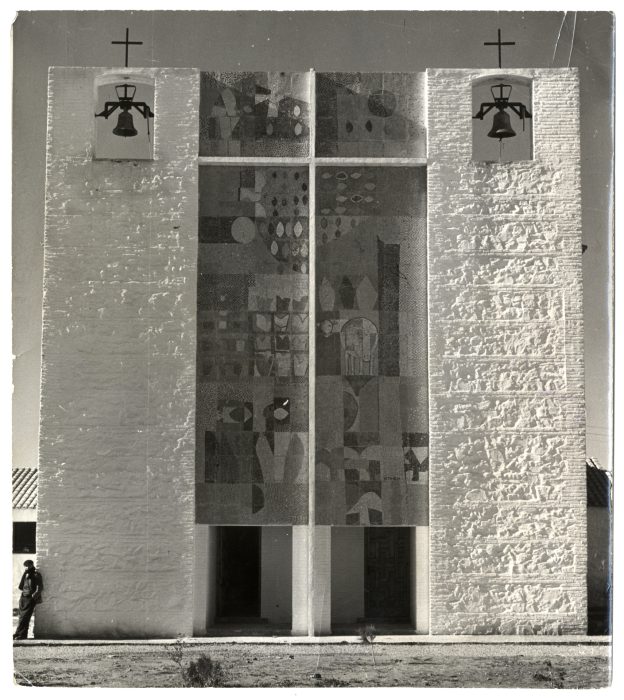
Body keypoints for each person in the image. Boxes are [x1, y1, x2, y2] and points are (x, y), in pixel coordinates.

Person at [13, 560, 43, 640]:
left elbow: (40, 587)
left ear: (32, 565)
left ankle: (22, 635)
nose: (26, 567)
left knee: (26, 617)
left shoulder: (36, 574)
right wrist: (24, 574)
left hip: (30, 598)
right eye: (25, 566)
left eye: (28, 565)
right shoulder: (26, 574)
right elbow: (21, 586)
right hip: (23, 597)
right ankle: (18, 633)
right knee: (21, 617)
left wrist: (33, 597)